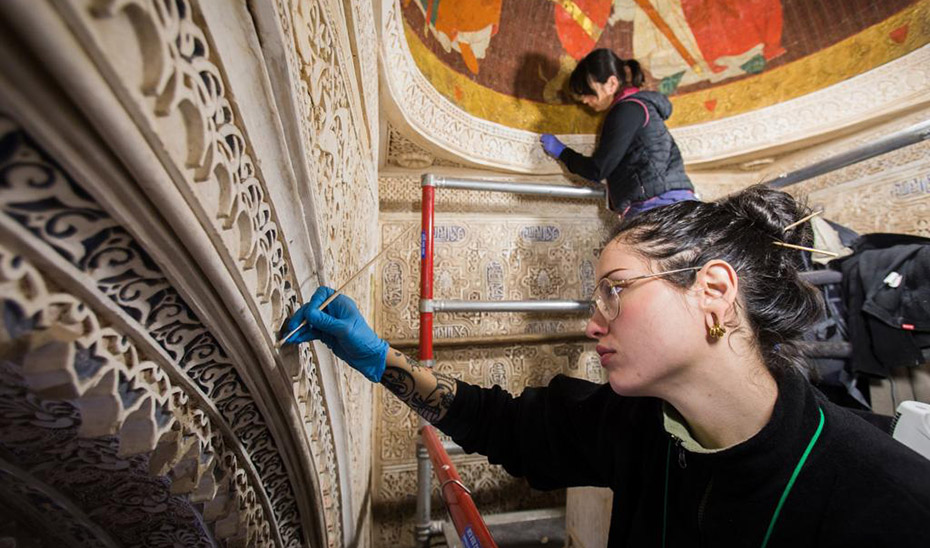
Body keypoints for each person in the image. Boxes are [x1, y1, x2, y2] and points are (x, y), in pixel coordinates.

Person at [283, 186, 930, 546]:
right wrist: (377, 359)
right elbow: (505, 426)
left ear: (712, 292)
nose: (595, 321)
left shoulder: (890, 500)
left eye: (616, 289)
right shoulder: (640, 422)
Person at [540, 48, 697, 218]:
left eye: (587, 91)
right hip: (665, 202)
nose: (585, 100)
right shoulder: (636, 107)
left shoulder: (627, 110)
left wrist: (562, 151)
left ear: (611, 84)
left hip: (660, 204)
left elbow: (598, 170)